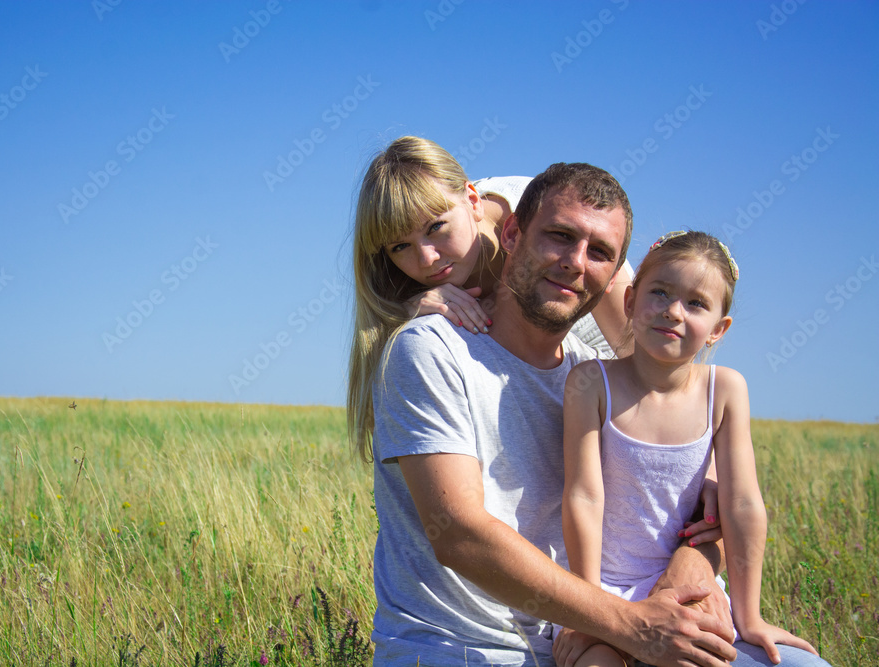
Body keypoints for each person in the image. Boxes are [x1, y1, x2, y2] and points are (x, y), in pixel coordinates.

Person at [364, 161, 741, 666]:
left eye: (600, 253)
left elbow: (685, 500)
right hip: (468, 650)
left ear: (614, 279)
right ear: (513, 233)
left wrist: (694, 564)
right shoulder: (428, 349)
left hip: (601, 636)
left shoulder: (598, 381)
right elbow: (456, 533)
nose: (575, 263)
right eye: (560, 236)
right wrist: (633, 626)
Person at [557, 231, 823, 667]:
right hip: (601, 591)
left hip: (689, 594)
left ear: (719, 329)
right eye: (659, 292)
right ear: (629, 302)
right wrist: (587, 610)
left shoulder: (725, 389)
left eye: (696, 303)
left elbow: (742, 503)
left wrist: (749, 615)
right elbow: (583, 496)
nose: (673, 311)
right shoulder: (591, 383)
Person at [348, 137, 631, 464]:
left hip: (599, 358)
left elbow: (639, 342)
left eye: (437, 227)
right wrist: (405, 309)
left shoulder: (547, 209)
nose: (426, 259)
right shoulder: (410, 303)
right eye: (400, 247)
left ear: (472, 199)